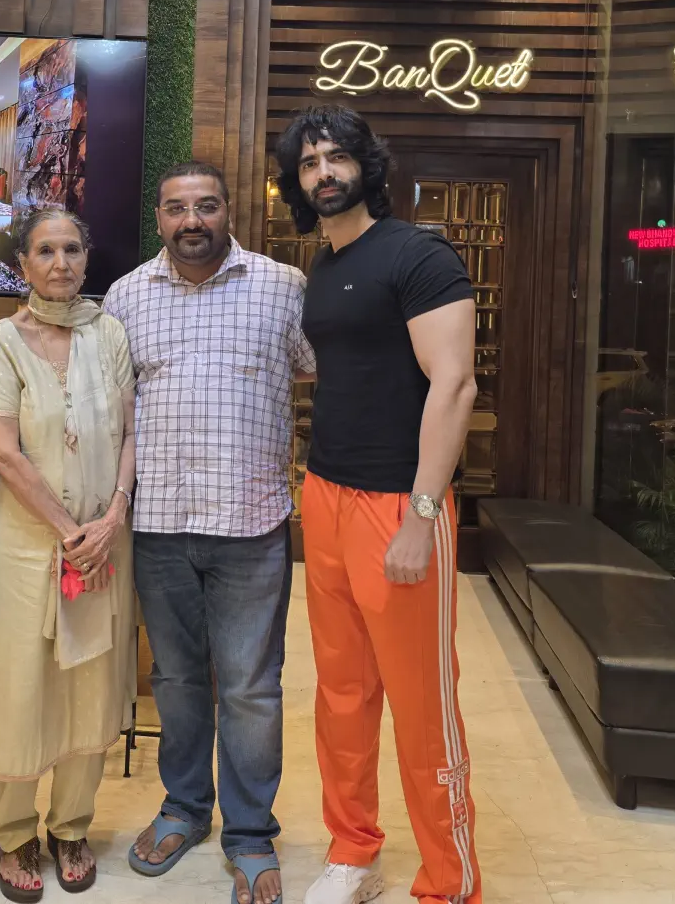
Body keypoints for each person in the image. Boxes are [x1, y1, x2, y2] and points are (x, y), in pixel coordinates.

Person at [276, 106, 481, 904]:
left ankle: (449, 882)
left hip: (400, 502)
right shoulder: (324, 263)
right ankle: (353, 851)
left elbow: (454, 385)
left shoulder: (418, 254)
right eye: (308, 162)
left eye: (336, 157)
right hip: (326, 494)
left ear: (366, 164)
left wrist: (422, 516)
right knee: (342, 694)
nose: (323, 172)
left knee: (423, 706)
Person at [103, 162, 315, 904]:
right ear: (159, 217)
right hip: (159, 523)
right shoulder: (126, 296)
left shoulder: (283, 287)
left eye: (206, 206)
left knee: (251, 687)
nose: (191, 220)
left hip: (251, 522)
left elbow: (318, 372)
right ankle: (185, 809)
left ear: (229, 211)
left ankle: (250, 832)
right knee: (177, 679)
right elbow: (115, 408)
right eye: (176, 208)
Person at [0, 208, 138, 903]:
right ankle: (14, 833)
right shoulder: (2, 340)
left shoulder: (110, 334)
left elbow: (130, 432)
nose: (61, 262)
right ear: (23, 264)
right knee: (18, 686)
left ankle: (72, 826)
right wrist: (70, 531)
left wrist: (114, 515)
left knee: (90, 683)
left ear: (87, 258)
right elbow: (4, 451)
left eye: (72, 248)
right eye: (45, 250)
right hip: (25, 547)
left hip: (105, 544)